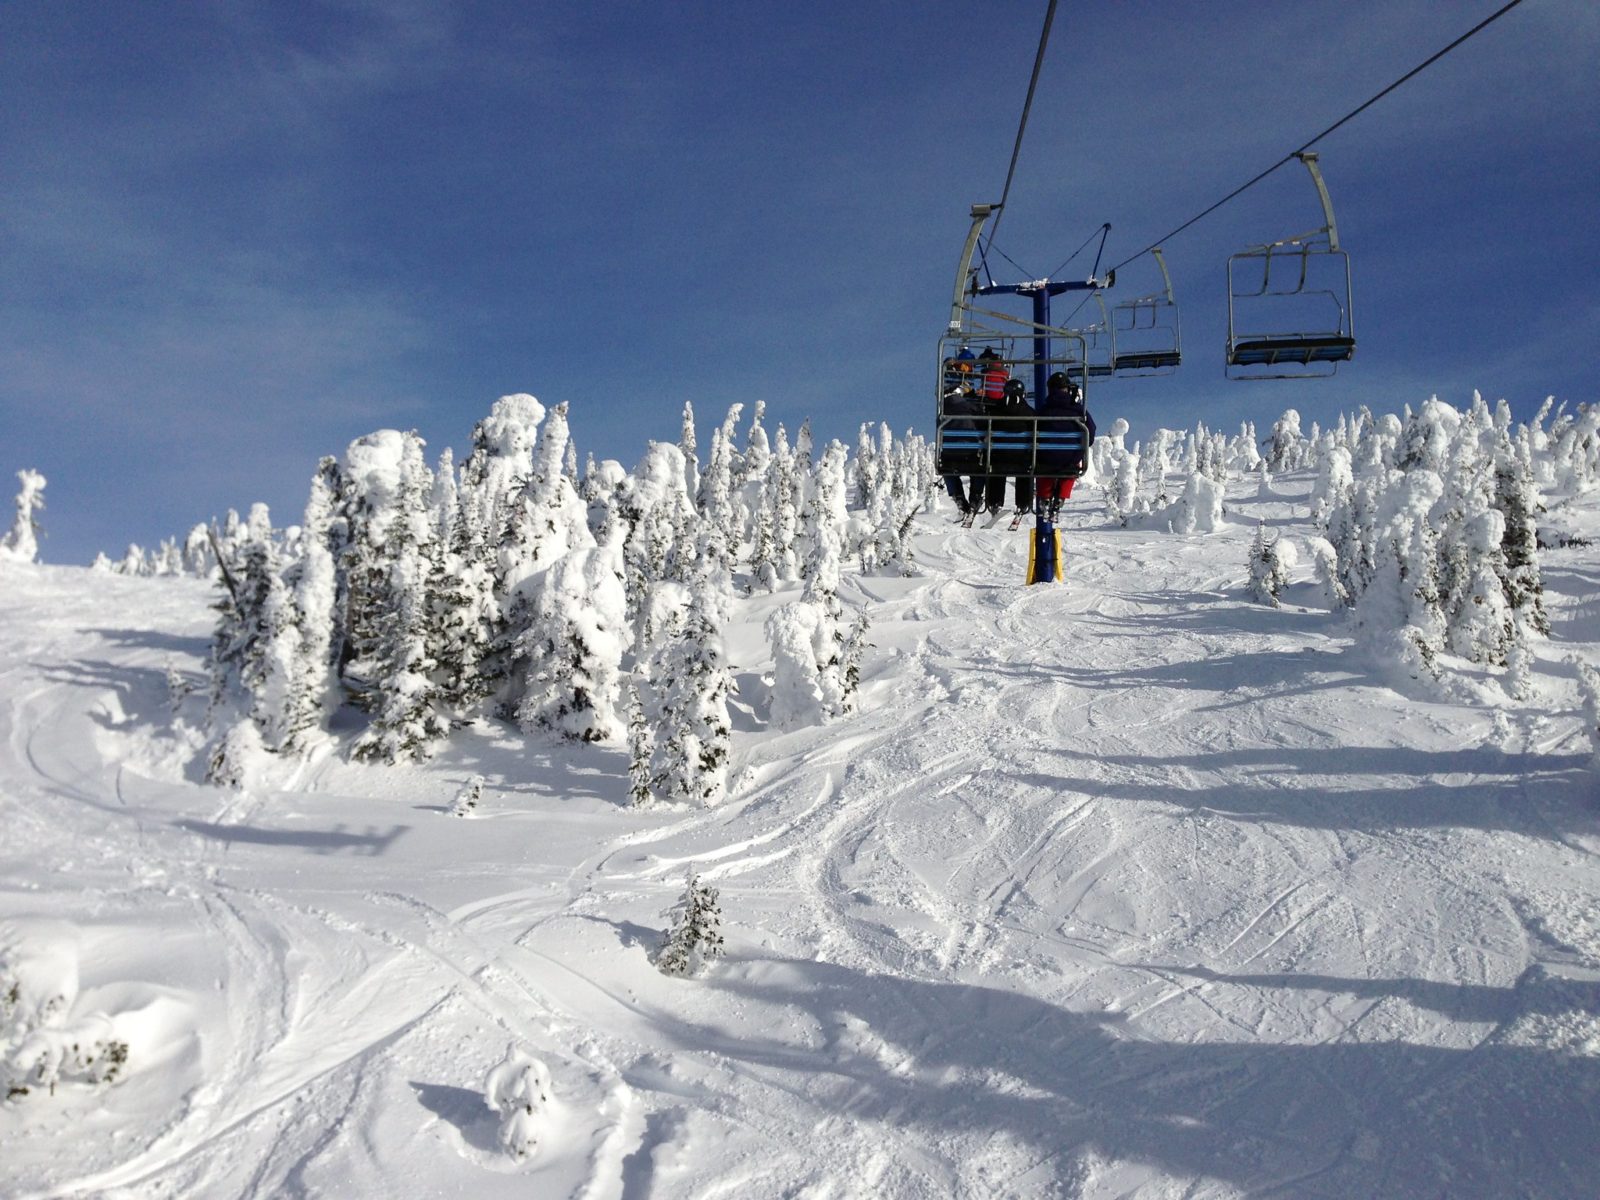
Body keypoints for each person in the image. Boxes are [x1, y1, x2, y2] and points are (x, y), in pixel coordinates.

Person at [1035, 372, 1096, 519]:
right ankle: (1061, 496)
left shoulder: (1043, 411)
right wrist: (1084, 444)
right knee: (1070, 464)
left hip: (1047, 458)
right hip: (1070, 458)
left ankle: (1045, 497)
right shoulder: (1078, 410)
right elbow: (1091, 430)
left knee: (1045, 462)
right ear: (1067, 389)